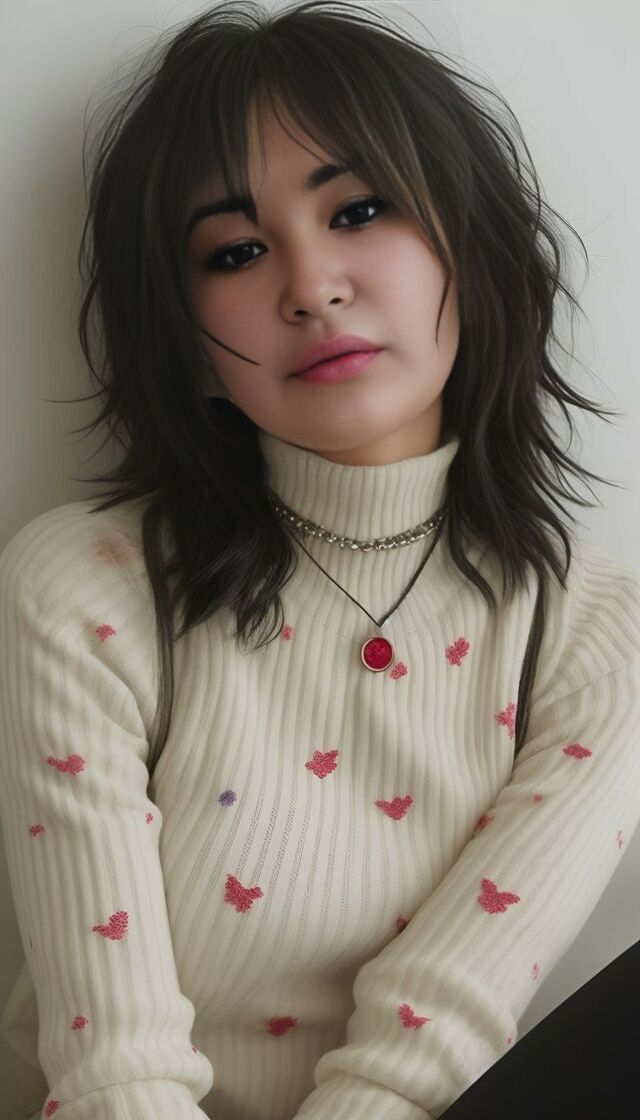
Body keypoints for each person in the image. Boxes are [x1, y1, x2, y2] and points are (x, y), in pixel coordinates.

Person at [0, 2, 639, 1118]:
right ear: (186, 339)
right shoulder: (89, 586)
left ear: (470, 245)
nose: (310, 284)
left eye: (359, 209)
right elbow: (115, 1068)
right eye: (236, 252)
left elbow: (430, 1043)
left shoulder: (595, 632)